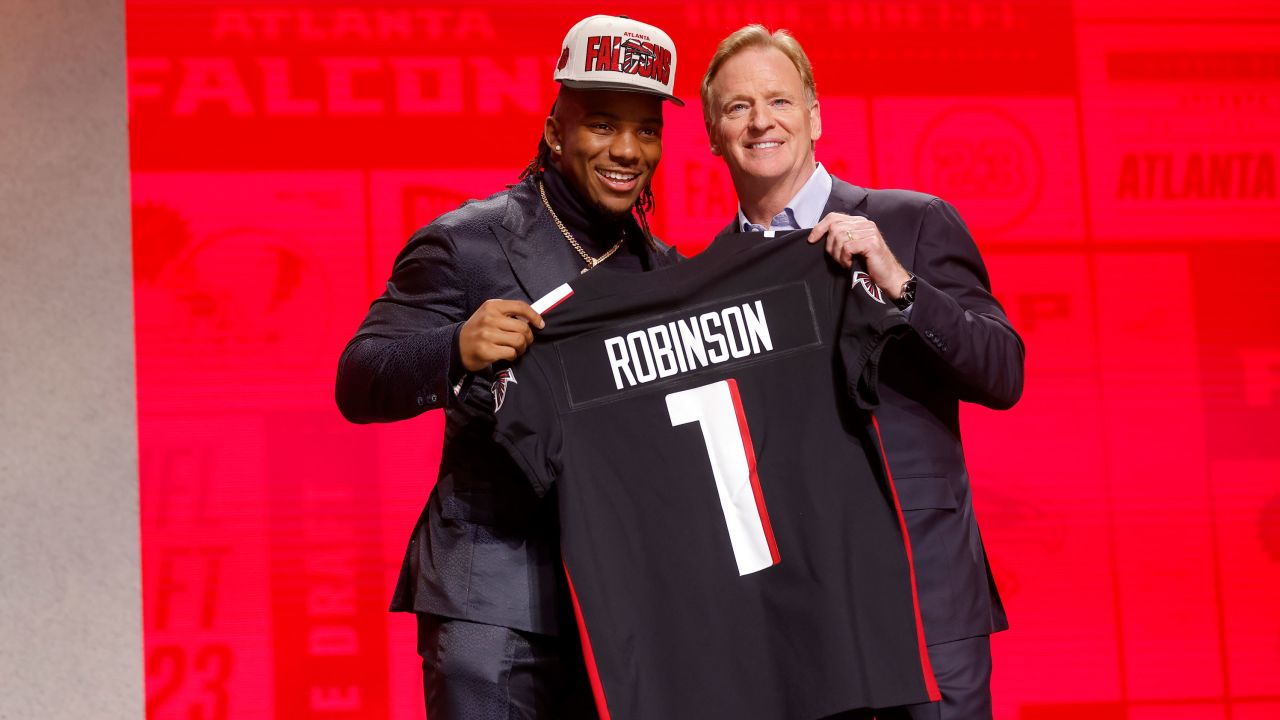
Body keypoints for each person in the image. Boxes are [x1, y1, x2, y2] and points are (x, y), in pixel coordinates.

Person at [335, 14, 682, 719]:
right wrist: (454, 347)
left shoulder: (665, 274)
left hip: (614, 614)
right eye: (602, 124)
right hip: (490, 604)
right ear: (556, 131)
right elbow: (359, 378)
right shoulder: (469, 244)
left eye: (647, 130)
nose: (627, 150)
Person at [701, 25, 1025, 720]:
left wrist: (902, 286)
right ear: (711, 134)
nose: (762, 121)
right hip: (796, 617)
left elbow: (1004, 373)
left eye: (780, 101)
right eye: (737, 108)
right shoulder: (705, 278)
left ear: (815, 116)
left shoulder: (909, 223)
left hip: (924, 599)